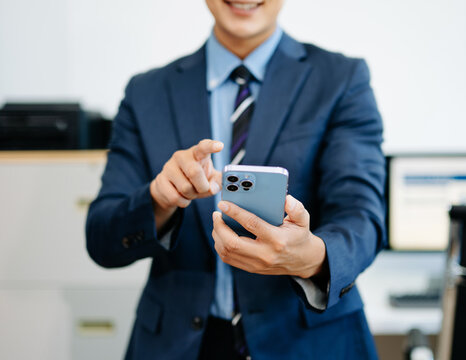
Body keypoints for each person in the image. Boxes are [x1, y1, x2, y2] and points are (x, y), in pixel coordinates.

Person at [86, 0, 386, 359]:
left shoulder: (341, 79)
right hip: (182, 344)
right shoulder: (146, 92)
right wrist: (158, 200)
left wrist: (311, 258)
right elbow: (101, 237)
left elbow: (363, 217)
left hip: (307, 341)